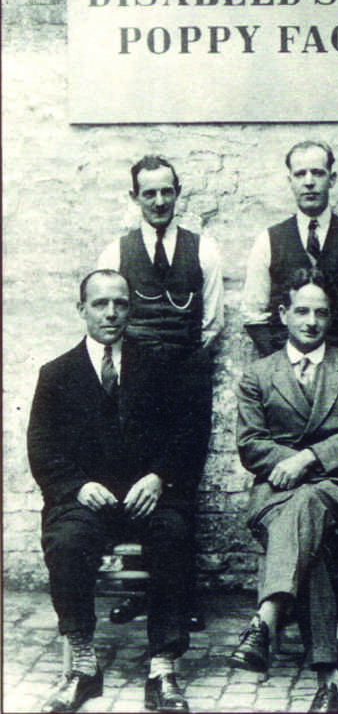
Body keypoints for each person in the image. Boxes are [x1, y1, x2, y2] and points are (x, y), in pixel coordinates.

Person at [28, 270, 192, 712]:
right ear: (81, 309)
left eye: (120, 303)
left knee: (174, 532)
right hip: (87, 501)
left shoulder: (158, 366)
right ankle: (83, 664)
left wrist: (159, 476)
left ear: (130, 308)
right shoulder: (56, 373)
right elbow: (42, 447)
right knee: (65, 540)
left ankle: (163, 668)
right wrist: (78, 486)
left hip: (147, 496)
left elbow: (185, 435)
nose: (112, 312)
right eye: (100, 304)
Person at [230, 268, 338, 712]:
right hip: (277, 497)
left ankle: (266, 619)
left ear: (331, 318)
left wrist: (307, 459)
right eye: (302, 311)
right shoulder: (258, 375)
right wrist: (291, 468)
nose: (311, 321)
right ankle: (328, 678)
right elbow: (250, 444)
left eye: (321, 312)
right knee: (306, 533)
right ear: (283, 314)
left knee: (308, 501)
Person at [98, 155, 224, 630]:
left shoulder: (203, 251)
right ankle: (139, 592)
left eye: (166, 191)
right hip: (134, 384)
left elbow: (212, 323)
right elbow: (109, 320)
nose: (158, 200)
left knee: (181, 482)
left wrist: (180, 366)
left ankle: (181, 598)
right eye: (148, 192)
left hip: (188, 381)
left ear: (177, 192)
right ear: (135, 197)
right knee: (136, 475)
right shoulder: (116, 252)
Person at [243, 140, 338, 356]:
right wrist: (282, 367)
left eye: (317, 173)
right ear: (290, 181)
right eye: (300, 174)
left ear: (331, 179)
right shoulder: (267, 241)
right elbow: (254, 316)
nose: (309, 182)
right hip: (284, 367)